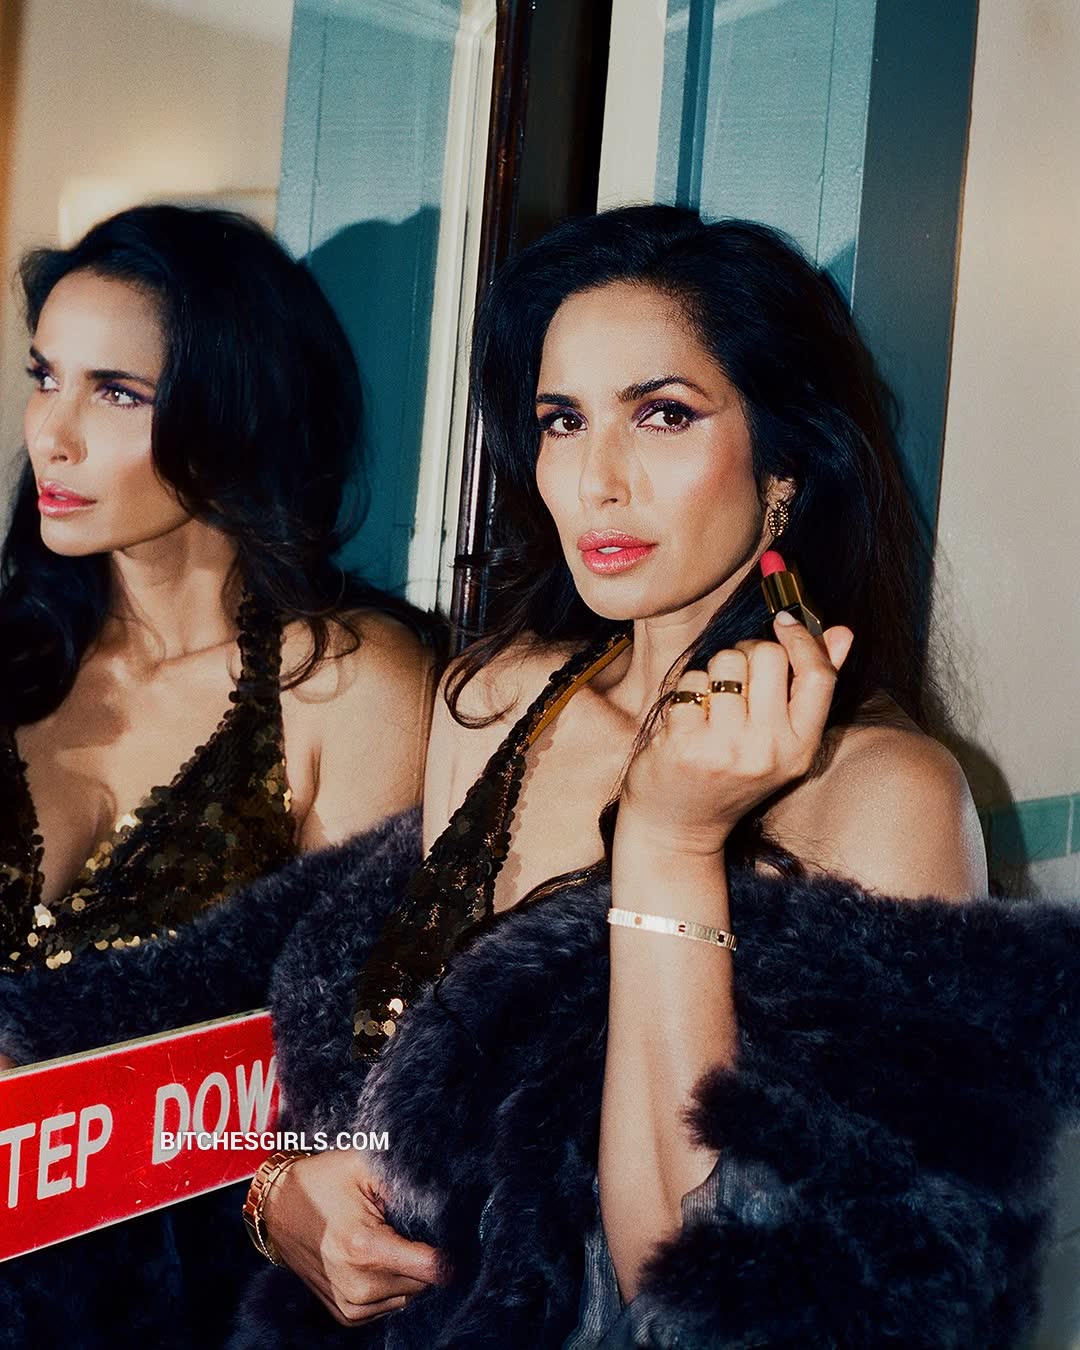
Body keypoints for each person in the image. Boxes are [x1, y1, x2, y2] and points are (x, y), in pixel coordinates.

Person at [230, 206, 1080, 1349]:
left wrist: (670, 846)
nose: (597, 480)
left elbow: (696, 1285)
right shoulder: (495, 700)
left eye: (664, 415)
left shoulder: (882, 793)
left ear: (784, 465)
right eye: (562, 421)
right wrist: (281, 1188)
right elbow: (377, 1063)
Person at [0, 204, 438, 1346]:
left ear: (236, 413)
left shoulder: (348, 684)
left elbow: (367, 1069)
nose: (51, 435)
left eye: (116, 393)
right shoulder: (15, 659)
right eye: (44, 377)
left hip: (171, 1304)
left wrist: (272, 1186)